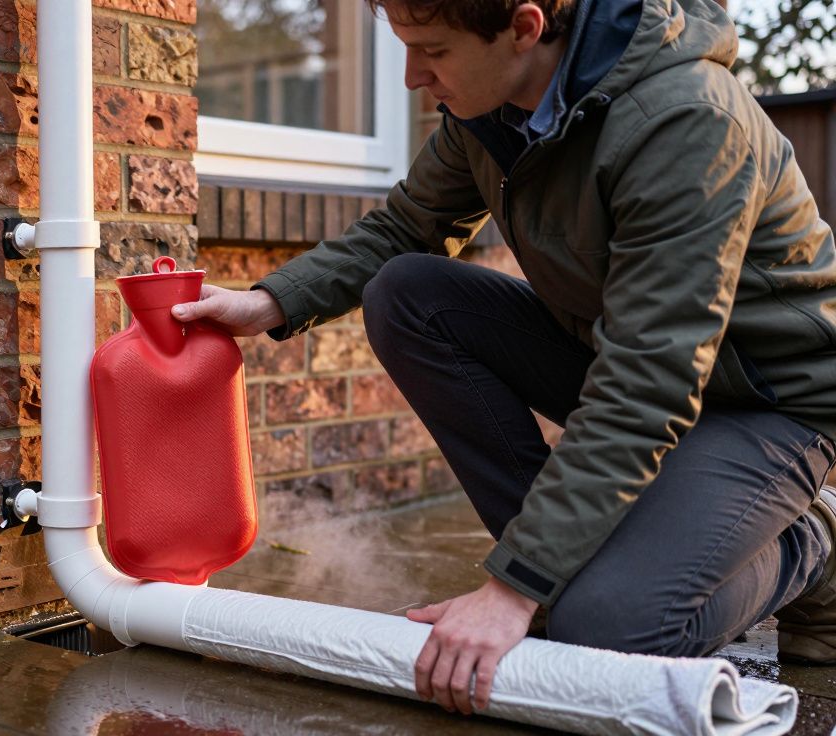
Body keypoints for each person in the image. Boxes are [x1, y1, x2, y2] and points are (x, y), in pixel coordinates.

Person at [171, 0, 836, 718]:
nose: (409, 77)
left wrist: (513, 589)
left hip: (763, 402)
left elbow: (648, 385)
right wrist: (268, 302)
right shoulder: (492, 108)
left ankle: (816, 542)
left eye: (432, 50)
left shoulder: (687, 122)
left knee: (610, 632)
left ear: (523, 28)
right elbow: (405, 227)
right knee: (409, 294)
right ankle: (563, 569)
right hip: (628, 360)